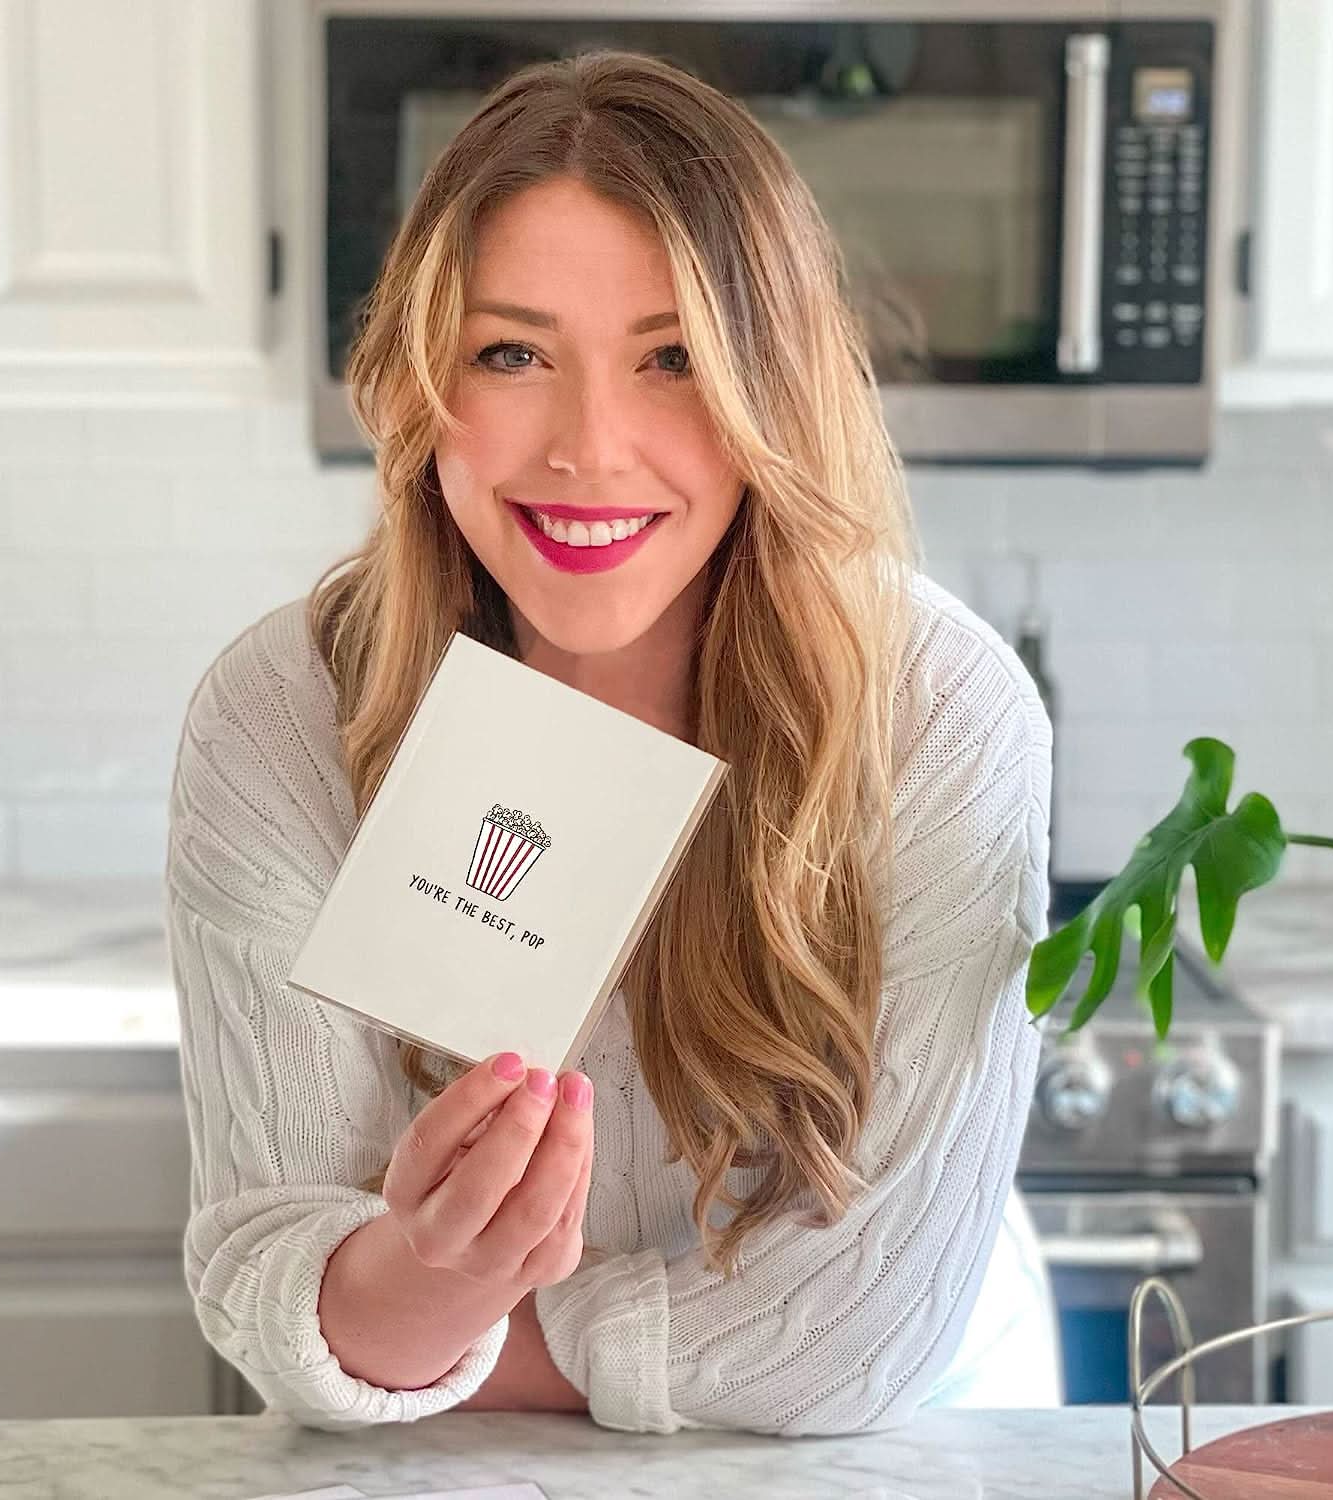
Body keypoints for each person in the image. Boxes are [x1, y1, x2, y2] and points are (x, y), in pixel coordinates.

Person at [164, 47, 1062, 1437]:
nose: (591, 446)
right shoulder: (280, 714)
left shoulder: (941, 710)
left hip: (894, 1454)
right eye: (511, 353)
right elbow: (262, 1285)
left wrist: (421, 1315)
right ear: (418, 383)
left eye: (675, 360)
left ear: (777, 389)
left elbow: (854, 1342)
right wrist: (414, 1288)